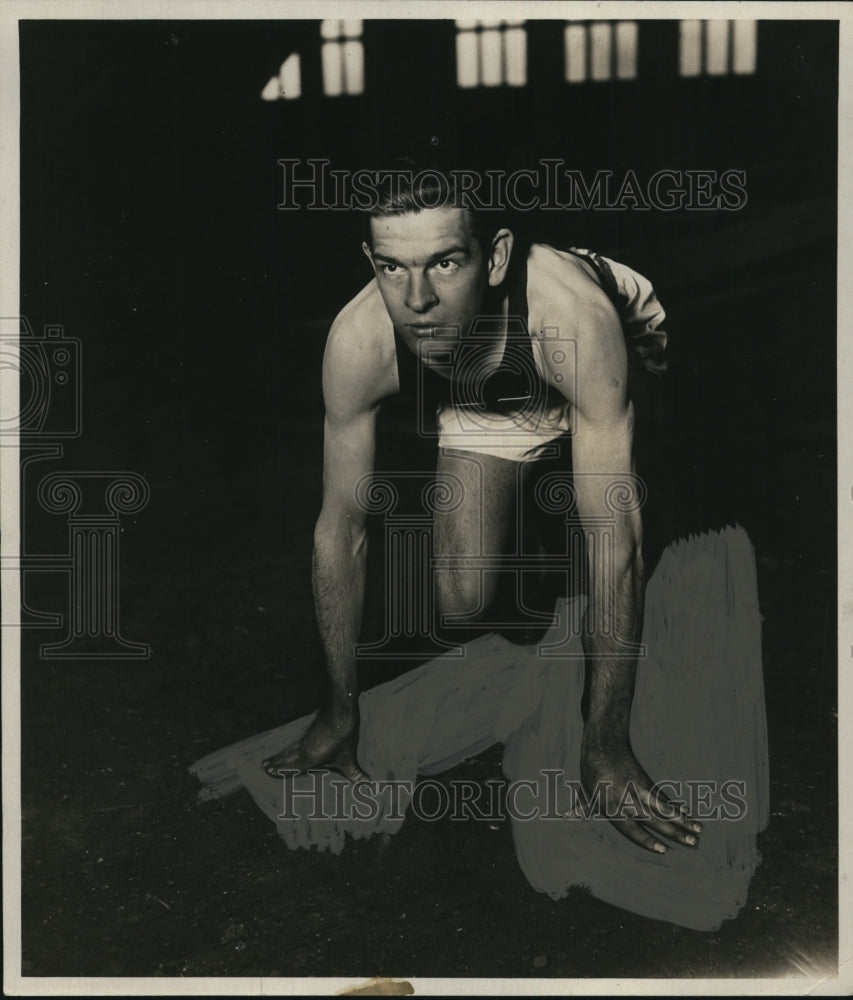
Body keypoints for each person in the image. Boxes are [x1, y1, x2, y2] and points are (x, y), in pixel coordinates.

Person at [262, 166, 702, 855]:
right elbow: (339, 532)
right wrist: (341, 708)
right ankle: (535, 509)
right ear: (369, 262)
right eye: (391, 267)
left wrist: (605, 745)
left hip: (607, 350)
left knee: (639, 519)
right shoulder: (359, 341)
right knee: (463, 604)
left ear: (494, 256)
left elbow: (615, 544)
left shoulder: (576, 324)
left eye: (444, 262)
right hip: (488, 388)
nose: (416, 300)